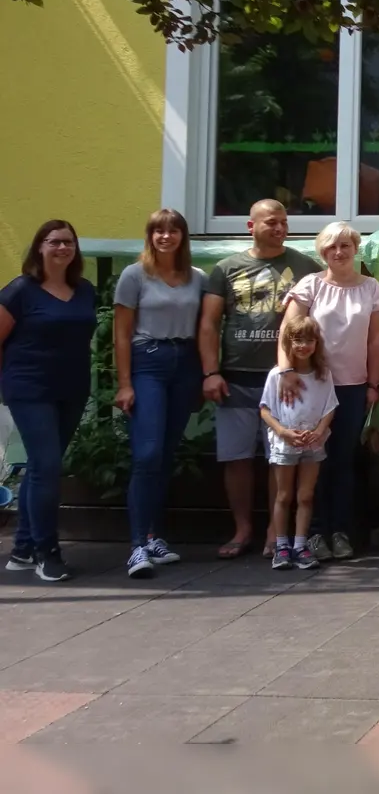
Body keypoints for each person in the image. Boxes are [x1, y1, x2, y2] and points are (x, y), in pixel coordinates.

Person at [199, 199, 322, 559]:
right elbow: (208, 324)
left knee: (279, 460)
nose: (281, 228)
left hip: (287, 380)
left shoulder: (305, 266)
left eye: (284, 221)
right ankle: (242, 529)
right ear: (251, 225)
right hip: (236, 377)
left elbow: (326, 310)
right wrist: (210, 372)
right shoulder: (226, 268)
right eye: (272, 222)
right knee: (236, 458)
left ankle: (275, 531)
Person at [278, 221, 379, 561]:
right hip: (312, 386)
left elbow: (374, 341)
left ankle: (340, 531)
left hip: (354, 387)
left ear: (356, 249)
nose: (339, 252)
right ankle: (312, 533)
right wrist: (286, 372)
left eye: (345, 246)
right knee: (314, 460)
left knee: (342, 461)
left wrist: (373, 384)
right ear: (323, 253)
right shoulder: (310, 285)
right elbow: (287, 331)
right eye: (331, 247)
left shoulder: (370, 287)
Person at [0, 220, 96, 582]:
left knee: (43, 469)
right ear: (39, 247)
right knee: (47, 465)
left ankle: (22, 549)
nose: (62, 248)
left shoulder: (84, 290)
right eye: (54, 242)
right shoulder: (20, 290)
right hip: (29, 388)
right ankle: (47, 551)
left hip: (71, 390)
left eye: (68, 242)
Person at [112, 208, 206, 577]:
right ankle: (136, 546)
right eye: (158, 231)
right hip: (147, 360)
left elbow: (205, 327)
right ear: (149, 236)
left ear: (183, 236)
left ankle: (154, 536)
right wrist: (124, 383)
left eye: (173, 231)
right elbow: (121, 333)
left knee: (166, 453)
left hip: (185, 364)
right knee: (147, 453)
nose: (166, 237)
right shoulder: (134, 275)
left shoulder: (196, 277)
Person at [259, 316, 339, 571]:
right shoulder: (276, 375)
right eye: (298, 340)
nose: (303, 345)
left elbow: (330, 406)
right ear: (288, 343)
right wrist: (283, 431)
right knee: (284, 495)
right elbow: (265, 410)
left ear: (317, 343)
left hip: (313, 444)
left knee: (305, 495)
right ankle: (281, 545)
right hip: (285, 444)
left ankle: (300, 545)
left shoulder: (323, 375)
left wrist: (319, 430)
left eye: (309, 340)